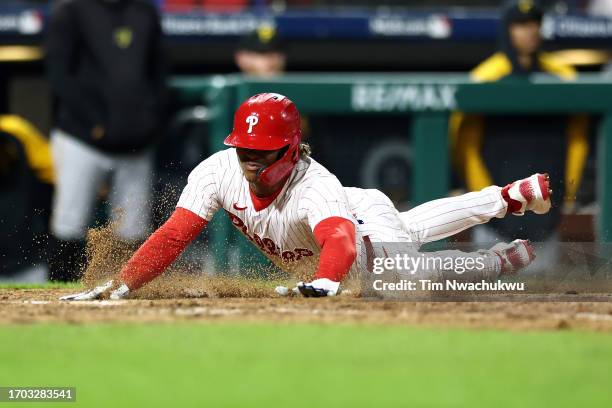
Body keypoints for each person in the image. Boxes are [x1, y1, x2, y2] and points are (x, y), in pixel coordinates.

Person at [61, 93, 551, 300]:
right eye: (243, 150)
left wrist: (325, 281)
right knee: (413, 228)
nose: (249, 161)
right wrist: (125, 284)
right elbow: (175, 234)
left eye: (261, 152)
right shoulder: (217, 171)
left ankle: (496, 262)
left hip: (352, 230)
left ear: (291, 150)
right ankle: (506, 198)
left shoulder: (313, 184)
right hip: (353, 221)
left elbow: (339, 238)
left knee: (412, 276)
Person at [450, 0, 589, 247]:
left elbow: (577, 138)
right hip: (496, 220)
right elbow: (465, 146)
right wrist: (489, 201)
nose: (530, 30)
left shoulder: (563, 76)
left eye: (535, 23)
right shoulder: (485, 77)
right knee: (491, 285)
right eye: (521, 24)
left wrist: (569, 192)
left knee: (551, 286)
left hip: (547, 215)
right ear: (508, 29)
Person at [45, 0, 167, 281]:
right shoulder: (71, 10)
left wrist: (149, 123)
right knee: (69, 222)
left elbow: (159, 72)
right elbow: (59, 74)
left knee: (134, 229)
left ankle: (126, 289)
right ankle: (60, 293)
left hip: (136, 143)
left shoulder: (144, 11)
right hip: (81, 138)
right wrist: (94, 123)